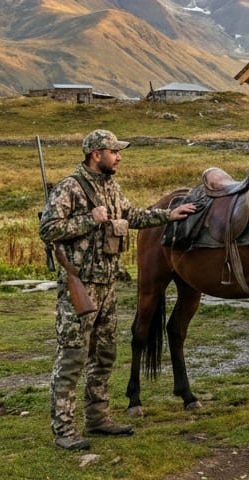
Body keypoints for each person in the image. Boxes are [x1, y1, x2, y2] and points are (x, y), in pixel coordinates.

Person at [40, 129, 198, 450]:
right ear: (96, 154)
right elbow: (48, 228)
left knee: (105, 354)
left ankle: (97, 417)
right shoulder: (70, 188)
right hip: (80, 286)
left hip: (107, 287)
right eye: (115, 152)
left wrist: (169, 215)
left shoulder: (111, 187)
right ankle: (64, 429)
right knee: (72, 357)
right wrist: (89, 219)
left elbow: (134, 215)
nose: (120, 157)